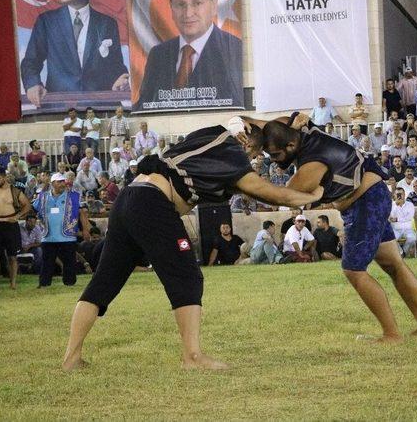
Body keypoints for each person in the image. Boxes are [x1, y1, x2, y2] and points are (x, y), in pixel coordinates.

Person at [61, 121, 324, 371]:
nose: (254, 160)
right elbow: (271, 192)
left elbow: (244, 122)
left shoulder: (210, 132)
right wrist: (311, 196)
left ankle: (71, 358)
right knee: (187, 276)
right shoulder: (234, 157)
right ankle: (193, 357)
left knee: (104, 280)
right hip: (153, 204)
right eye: (255, 152)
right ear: (245, 143)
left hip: (129, 196)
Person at [260, 117, 417, 343]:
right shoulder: (310, 132)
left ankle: (392, 335)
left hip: (364, 202)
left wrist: (241, 182)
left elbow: (283, 195)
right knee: (393, 263)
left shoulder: (312, 164)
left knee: (354, 270)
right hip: (374, 195)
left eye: (275, 155)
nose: (273, 161)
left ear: (291, 146)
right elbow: (274, 122)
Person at [20, 0, 128, 108]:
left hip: (100, 108)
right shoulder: (46, 21)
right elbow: (30, 62)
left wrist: (121, 79)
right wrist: (33, 84)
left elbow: (116, 66)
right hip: (57, 108)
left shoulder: (108, 23)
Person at [137, 0, 243, 110]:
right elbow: (144, 105)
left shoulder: (234, 50)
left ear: (214, 5)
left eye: (197, 3)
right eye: (181, 4)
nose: (188, 14)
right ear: (171, 8)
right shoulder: (158, 54)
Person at [33, 173, 91, 288]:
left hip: (67, 234)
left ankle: (69, 282)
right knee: (47, 261)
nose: (62, 184)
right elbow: (33, 208)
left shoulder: (73, 196)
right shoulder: (43, 196)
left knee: (69, 260)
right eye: (59, 182)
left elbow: (82, 212)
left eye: (63, 181)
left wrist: (85, 229)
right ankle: (44, 283)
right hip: (48, 235)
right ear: (52, 183)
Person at [0, 167, 31, 290]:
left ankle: (13, 284)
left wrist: (18, 216)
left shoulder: (15, 191)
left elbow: (27, 205)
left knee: (13, 257)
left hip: (11, 225)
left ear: (4, 177)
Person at [390, 188, 416, 257]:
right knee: (391, 239)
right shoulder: (391, 205)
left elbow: (409, 217)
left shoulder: (410, 205)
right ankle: (401, 253)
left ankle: (403, 253)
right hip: (395, 229)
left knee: (412, 238)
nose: (400, 196)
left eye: (401, 194)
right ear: (394, 195)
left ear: (404, 195)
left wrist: (397, 219)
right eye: (398, 194)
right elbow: (390, 217)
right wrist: (396, 204)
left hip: (408, 229)